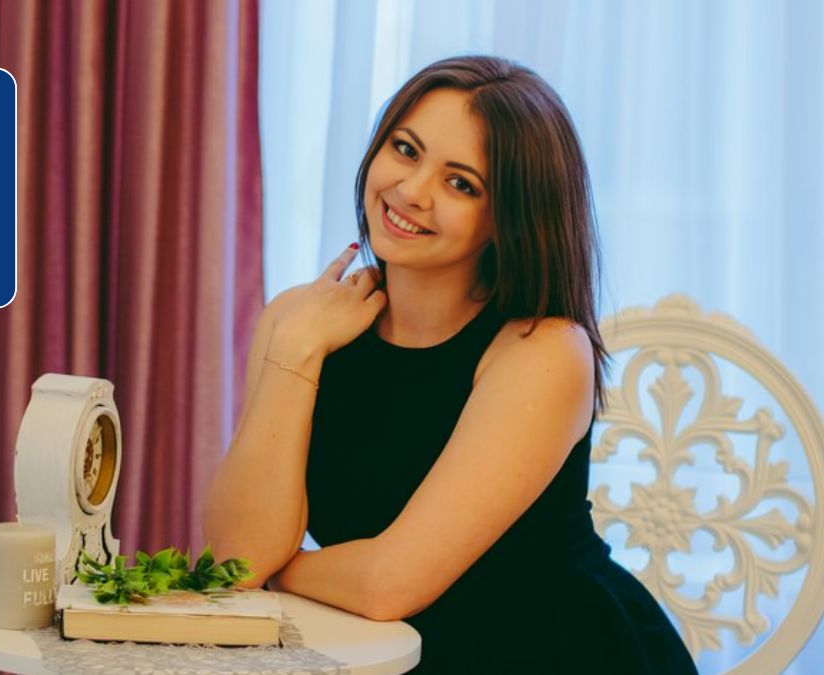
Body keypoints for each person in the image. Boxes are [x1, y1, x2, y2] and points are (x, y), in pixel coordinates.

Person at [201, 56, 698, 674]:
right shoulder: (299, 323)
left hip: (553, 653)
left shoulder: (542, 351)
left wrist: (279, 569)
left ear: (509, 217)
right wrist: (295, 352)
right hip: (380, 657)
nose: (412, 191)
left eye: (461, 183)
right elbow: (236, 559)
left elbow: (387, 585)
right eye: (405, 149)